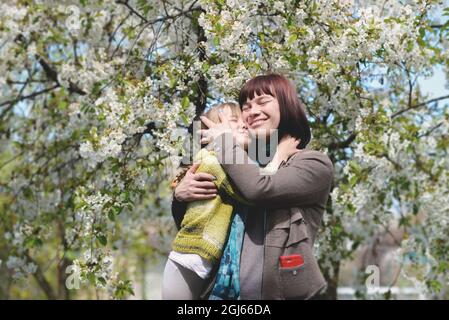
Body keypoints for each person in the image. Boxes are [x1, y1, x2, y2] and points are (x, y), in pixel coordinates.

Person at [172, 74, 334, 299]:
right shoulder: (239, 163)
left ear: (286, 105)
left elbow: (259, 188)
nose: (252, 111)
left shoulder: (314, 164)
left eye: (262, 102)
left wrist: (223, 140)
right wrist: (181, 197)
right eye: (246, 106)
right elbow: (198, 220)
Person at [162, 102, 299, 299]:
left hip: (203, 262)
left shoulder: (235, 161)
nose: (244, 125)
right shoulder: (214, 161)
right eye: (234, 121)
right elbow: (256, 189)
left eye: (245, 122)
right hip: (189, 260)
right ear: (212, 130)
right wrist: (280, 156)